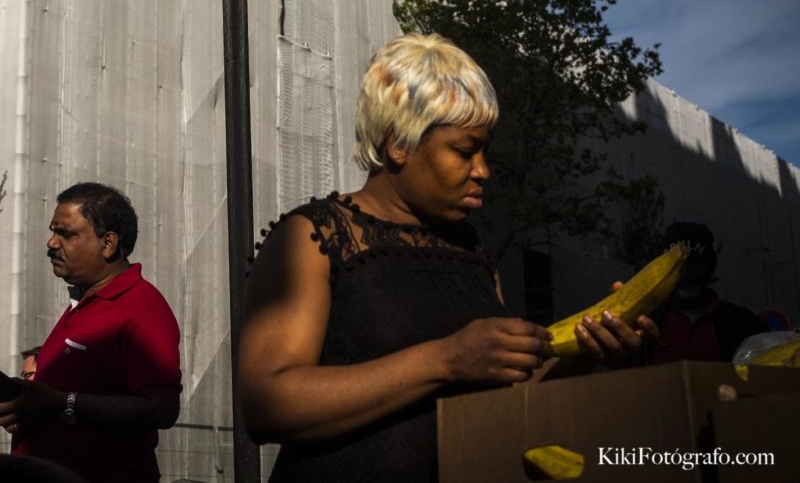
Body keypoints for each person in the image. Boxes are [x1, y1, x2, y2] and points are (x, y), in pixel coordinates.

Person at [239, 33, 656, 482]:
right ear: (399, 143)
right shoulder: (314, 236)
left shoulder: (471, 253)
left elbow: (502, 397)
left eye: (485, 151)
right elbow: (267, 404)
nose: (483, 170)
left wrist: (587, 355)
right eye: (464, 150)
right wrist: (445, 360)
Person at [0, 182, 181, 483]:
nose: (51, 243)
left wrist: (60, 403)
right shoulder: (82, 302)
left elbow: (162, 409)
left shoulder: (143, 307)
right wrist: (23, 402)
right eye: (53, 231)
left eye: (67, 234)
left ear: (108, 243)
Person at [649, 222, 769, 364]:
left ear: (709, 267)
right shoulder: (646, 324)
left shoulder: (744, 324)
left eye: (694, 263)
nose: (686, 273)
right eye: (678, 266)